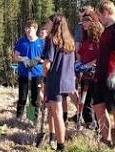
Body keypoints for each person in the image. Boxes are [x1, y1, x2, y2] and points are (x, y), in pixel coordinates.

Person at [94, 0, 115, 149]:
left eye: (99, 15)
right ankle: (105, 139)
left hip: (113, 77)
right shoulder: (106, 29)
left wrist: (114, 73)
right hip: (100, 76)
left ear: (106, 13)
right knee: (98, 107)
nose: (99, 18)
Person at [43, 13, 76, 151]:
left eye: (48, 22)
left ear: (54, 24)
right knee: (55, 111)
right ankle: (53, 138)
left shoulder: (51, 40)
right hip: (67, 81)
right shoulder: (69, 41)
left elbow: (47, 65)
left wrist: (43, 80)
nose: (46, 24)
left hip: (55, 81)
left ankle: (61, 145)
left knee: (56, 113)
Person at [75, 11, 103, 129]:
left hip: (96, 76)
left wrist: (88, 65)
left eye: (86, 20)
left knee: (96, 102)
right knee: (84, 102)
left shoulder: (99, 39)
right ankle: (89, 125)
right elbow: (80, 54)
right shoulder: (85, 40)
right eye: (83, 21)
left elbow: (101, 57)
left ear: (93, 22)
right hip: (85, 76)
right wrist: (78, 64)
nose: (83, 23)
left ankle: (99, 128)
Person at [13, 20, 45, 122]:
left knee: (34, 98)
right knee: (22, 97)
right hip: (23, 73)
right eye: (26, 28)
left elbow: (47, 59)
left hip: (37, 74)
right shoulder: (21, 41)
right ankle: (18, 118)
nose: (27, 30)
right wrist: (23, 59)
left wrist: (38, 60)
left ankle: (32, 119)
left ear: (35, 29)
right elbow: (15, 56)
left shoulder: (41, 42)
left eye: (29, 28)